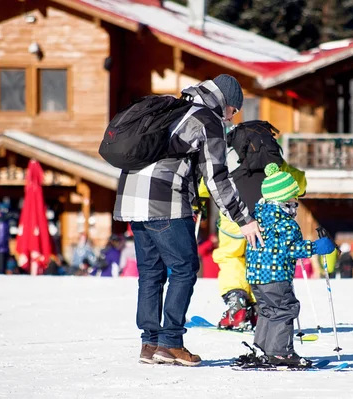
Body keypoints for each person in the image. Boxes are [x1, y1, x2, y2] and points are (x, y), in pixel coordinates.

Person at [113, 75, 263, 367]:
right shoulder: (207, 119)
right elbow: (217, 177)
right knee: (184, 268)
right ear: (226, 103)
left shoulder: (176, 108)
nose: (232, 119)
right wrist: (243, 219)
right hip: (163, 199)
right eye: (233, 111)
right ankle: (170, 343)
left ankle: (150, 343)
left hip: (130, 197)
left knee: (151, 272)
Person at [210, 121, 308, 331]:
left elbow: (208, 184)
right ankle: (259, 308)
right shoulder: (275, 161)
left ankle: (236, 304)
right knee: (262, 259)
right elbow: (299, 183)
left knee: (231, 257)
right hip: (267, 220)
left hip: (233, 218)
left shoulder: (230, 159)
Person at [244, 163, 335, 368]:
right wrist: (316, 247)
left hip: (256, 277)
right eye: (294, 199)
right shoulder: (285, 223)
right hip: (275, 276)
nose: (295, 205)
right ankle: (280, 352)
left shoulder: (257, 219)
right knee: (284, 309)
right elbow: (292, 249)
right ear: (283, 201)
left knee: (268, 311)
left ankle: (263, 348)